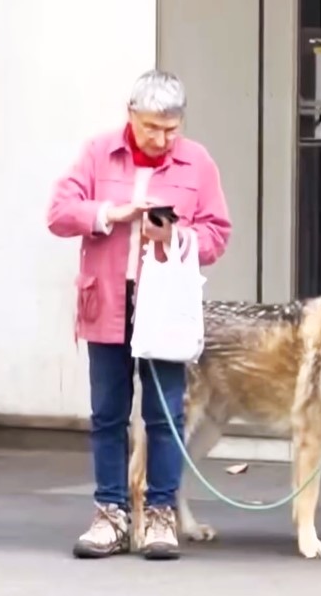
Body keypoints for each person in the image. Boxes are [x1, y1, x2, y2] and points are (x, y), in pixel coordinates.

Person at [47, 69, 232, 560]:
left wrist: (176, 236)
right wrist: (112, 213)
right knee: (107, 413)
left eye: (171, 128)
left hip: (164, 305)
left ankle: (159, 514)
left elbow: (218, 233)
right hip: (108, 298)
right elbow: (59, 213)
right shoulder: (98, 151)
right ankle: (110, 513)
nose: (162, 138)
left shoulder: (198, 163)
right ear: (131, 116)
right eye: (152, 127)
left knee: (165, 414)